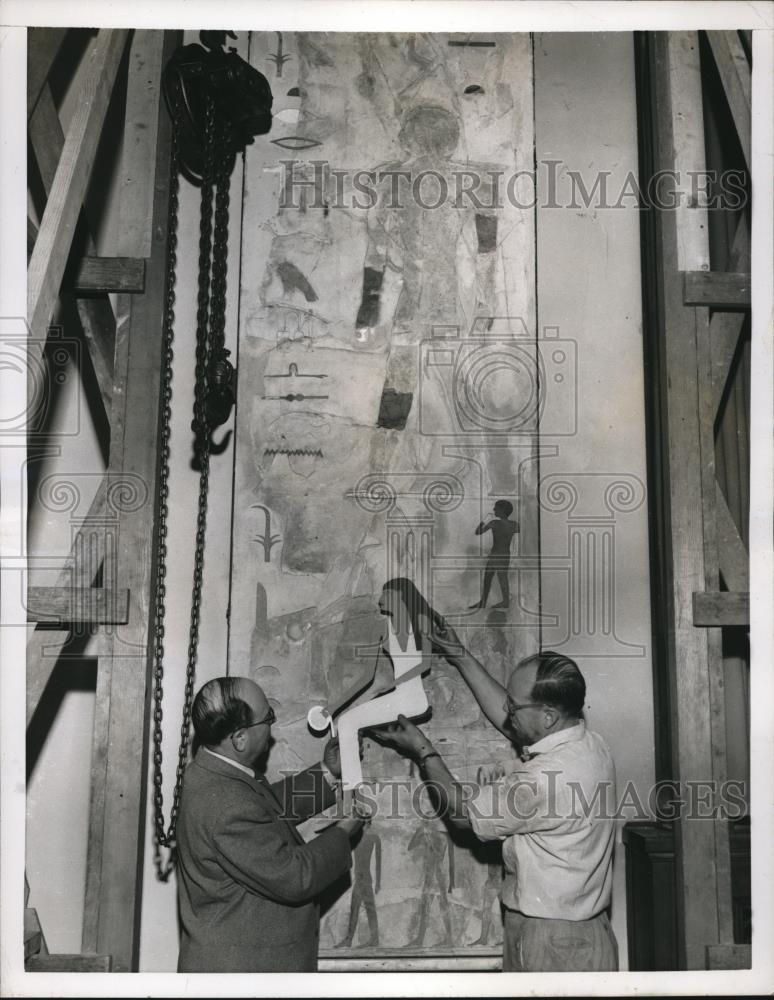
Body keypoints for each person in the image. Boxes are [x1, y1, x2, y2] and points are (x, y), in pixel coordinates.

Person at [372, 625, 618, 973]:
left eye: (513, 706)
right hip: (589, 933)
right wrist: (459, 655)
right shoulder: (591, 745)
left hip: (551, 944)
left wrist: (422, 750)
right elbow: (516, 726)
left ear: (547, 716)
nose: (507, 711)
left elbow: (462, 815)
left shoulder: (540, 781)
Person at [175, 676, 364, 972]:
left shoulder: (215, 773)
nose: (272, 729)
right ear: (239, 738)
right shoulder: (226, 804)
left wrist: (328, 772)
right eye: (268, 719)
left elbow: (264, 808)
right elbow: (295, 876)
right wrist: (343, 831)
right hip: (243, 975)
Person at [470, 499, 519, 610]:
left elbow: (478, 532)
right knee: (502, 579)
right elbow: (516, 544)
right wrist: (514, 558)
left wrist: (485, 519)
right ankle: (503, 602)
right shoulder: (515, 524)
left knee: (489, 579)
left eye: (496, 507)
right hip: (504, 556)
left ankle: (485, 602)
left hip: (495, 556)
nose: (494, 509)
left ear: (502, 510)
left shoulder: (494, 523)